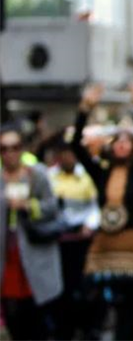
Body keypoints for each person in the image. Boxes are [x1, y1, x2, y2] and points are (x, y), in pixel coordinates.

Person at [71, 83, 133, 341]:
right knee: (101, 304)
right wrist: (84, 109)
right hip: (106, 245)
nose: (122, 145)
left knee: (132, 309)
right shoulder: (102, 172)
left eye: (127, 141)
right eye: (117, 140)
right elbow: (77, 146)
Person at [0, 124, 63, 341]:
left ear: (23, 148)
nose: (9, 153)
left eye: (15, 147)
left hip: (34, 252)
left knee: (36, 316)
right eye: (4, 148)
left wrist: (28, 206)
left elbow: (53, 207)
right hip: (6, 255)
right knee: (11, 315)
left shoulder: (37, 174)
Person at [46, 134, 101, 340]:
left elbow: (95, 207)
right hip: (59, 240)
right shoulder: (50, 176)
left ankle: (87, 327)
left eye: (71, 154)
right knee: (61, 289)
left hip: (82, 240)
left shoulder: (86, 176)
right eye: (64, 154)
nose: (67, 158)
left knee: (84, 287)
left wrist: (89, 225)